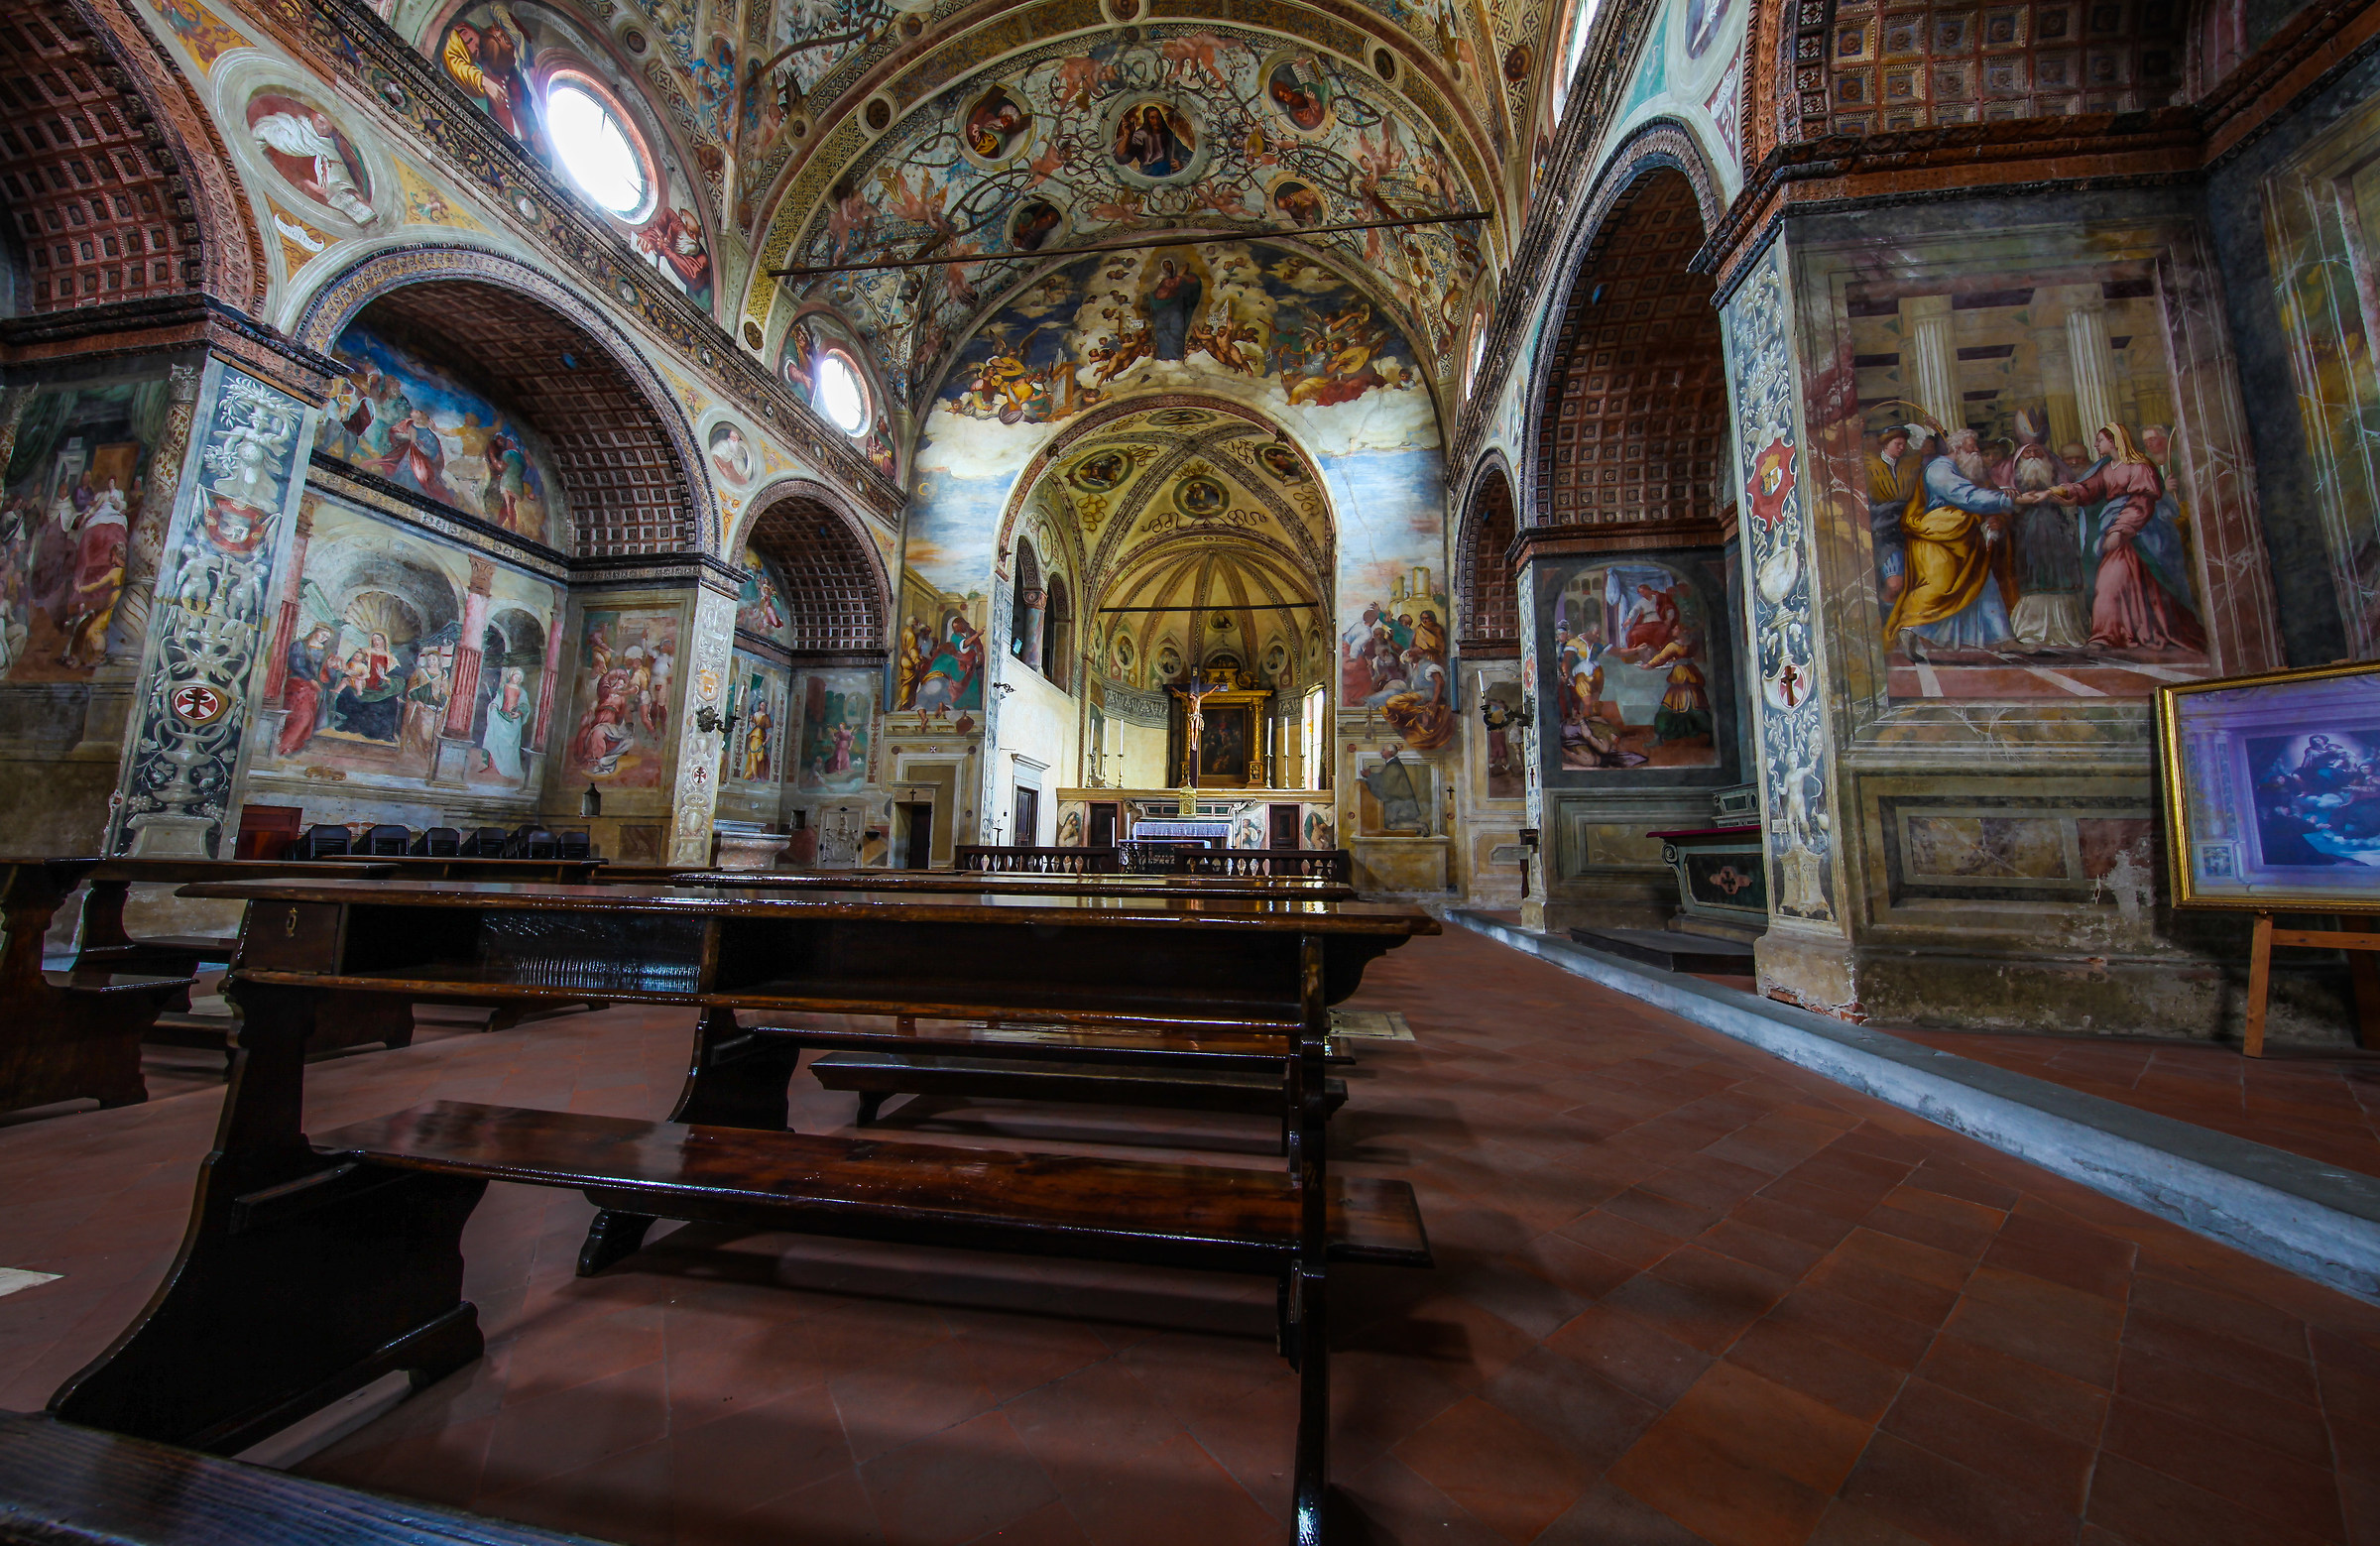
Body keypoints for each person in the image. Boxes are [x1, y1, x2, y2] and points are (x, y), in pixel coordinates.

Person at [1885, 425, 2044, 654]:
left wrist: (1995, 515)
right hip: (1937, 538)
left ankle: (2003, 637)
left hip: (1963, 537)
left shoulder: (1964, 470)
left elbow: (1979, 495)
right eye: (1972, 449)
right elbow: (1967, 497)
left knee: (1984, 583)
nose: (1977, 452)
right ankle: (1909, 628)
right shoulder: (1939, 470)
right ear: (1957, 449)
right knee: (1937, 587)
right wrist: (2012, 501)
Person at [2051, 421, 2207, 653]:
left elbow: (2142, 502)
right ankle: (2118, 632)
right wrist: (2065, 491)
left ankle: (2111, 633)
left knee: (2113, 579)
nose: (2096, 444)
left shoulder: (2140, 467)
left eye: (2100, 440)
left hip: (2142, 533)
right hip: (2116, 528)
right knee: (2119, 580)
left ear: (2114, 441)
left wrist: (2119, 530)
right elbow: (2089, 488)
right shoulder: (2107, 468)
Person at [1864, 425, 1926, 605]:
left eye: (1903, 444)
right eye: (1897, 444)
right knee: (1894, 584)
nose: (1901, 448)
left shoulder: (1909, 467)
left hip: (1910, 527)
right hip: (1886, 532)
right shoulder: (1870, 467)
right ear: (1886, 444)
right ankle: (1892, 621)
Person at [278, 623, 338, 757]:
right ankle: (282, 745)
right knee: (302, 716)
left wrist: (330, 668)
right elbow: (296, 665)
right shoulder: (300, 645)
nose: (324, 638)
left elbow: (331, 679)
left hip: (313, 690)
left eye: (327, 637)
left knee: (309, 718)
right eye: (323, 634)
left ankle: (290, 746)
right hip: (297, 684)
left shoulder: (326, 652)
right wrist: (311, 680)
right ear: (315, 630)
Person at [480, 665, 528, 780]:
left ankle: (508, 768)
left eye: (519, 677)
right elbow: (498, 699)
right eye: (515, 676)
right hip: (501, 717)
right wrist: (494, 705)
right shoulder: (504, 687)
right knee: (495, 739)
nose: (516, 678)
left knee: (511, 746)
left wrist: (519, 713)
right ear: (511, 676)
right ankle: (493, 767)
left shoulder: (522, 691)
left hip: (513, 719)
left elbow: (525, 705)